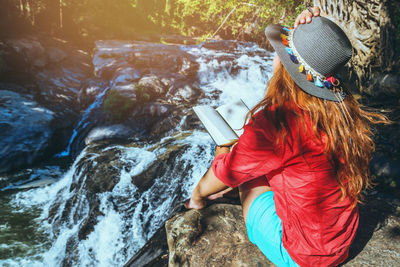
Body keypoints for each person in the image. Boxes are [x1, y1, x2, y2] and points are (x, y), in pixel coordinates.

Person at [185, 6, 389, 267]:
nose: (274, 56)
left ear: (284, 65)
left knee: (248, 175)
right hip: (342, 241)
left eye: (280, 53)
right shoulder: (343, 110)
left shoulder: (278, 121)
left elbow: (229, 172)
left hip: (303, 254)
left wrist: (199, 194)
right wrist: (307, 34)